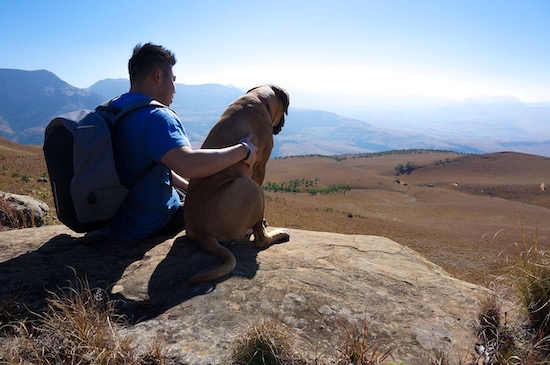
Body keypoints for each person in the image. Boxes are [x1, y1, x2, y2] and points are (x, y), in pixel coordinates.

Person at [99, 43, 257, 240]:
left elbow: (150, 168)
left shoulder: (113, 108)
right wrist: (244, 150)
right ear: (157, 75)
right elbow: (189, 165)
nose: (174, 89)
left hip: (112, 221)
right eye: (172, 80)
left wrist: (192, 190)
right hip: (149, 223)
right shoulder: (156, 116)